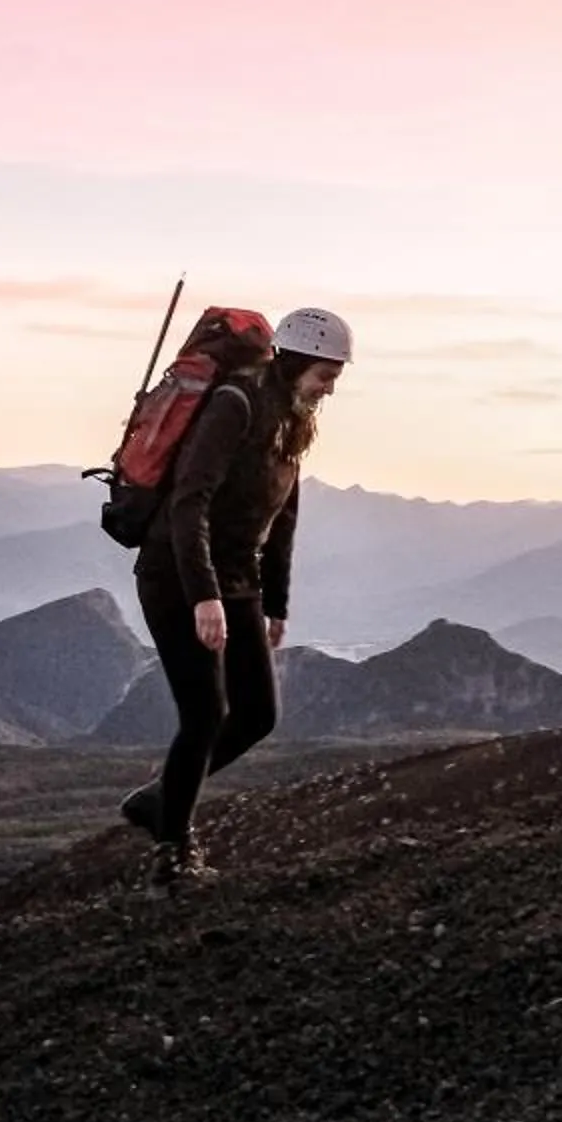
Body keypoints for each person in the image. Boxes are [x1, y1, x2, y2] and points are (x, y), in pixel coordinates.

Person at [118, 306, 353, 888]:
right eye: (327, 374)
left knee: (258, 714)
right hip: (177, 574)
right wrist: (204, 597)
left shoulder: (293, 419)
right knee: (204, 715)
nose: (330, 388)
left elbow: (283, 515)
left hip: (238, 578)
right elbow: (189, 502)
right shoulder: (236, 404)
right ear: (300, 360)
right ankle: (173, 854)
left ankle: (161, 800)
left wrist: (275, 603)